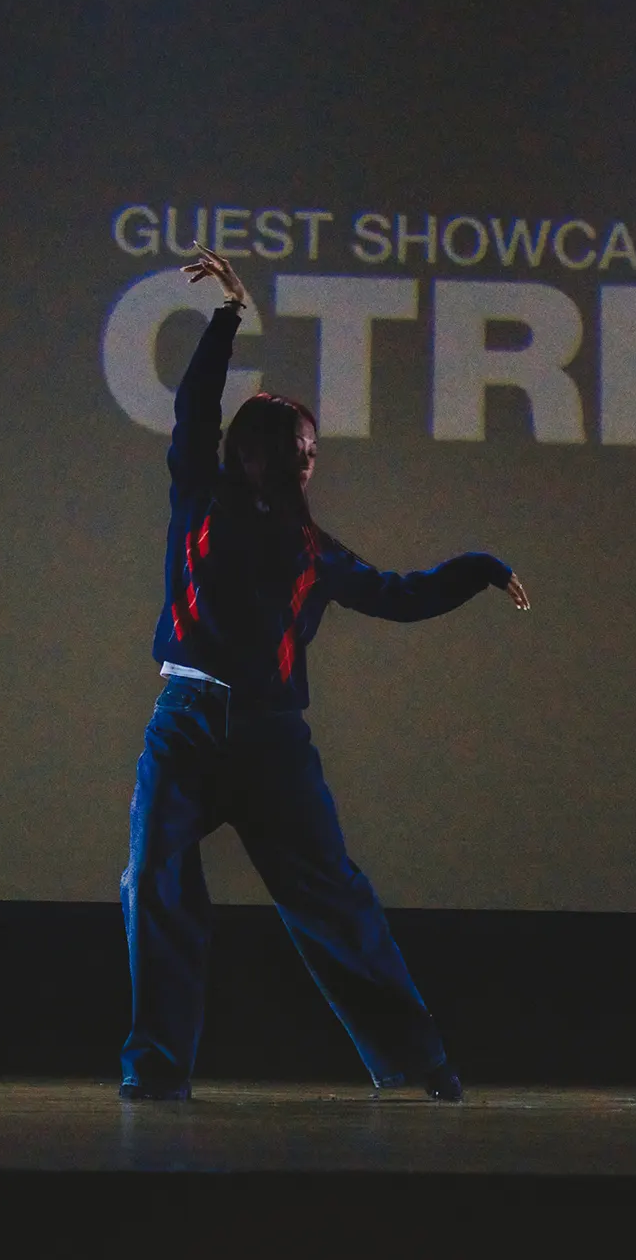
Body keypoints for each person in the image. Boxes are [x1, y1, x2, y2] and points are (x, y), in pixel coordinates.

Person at [119, 246, 530, 1102]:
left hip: (270, 744)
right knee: (153, 884)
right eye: (299, 449)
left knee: (332, 899)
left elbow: (399, 595)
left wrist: (480, 569)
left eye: (313, 451)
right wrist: (228, 316)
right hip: (186, 723)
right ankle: (156, 1071)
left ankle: (418, 1059)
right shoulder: (200, 495)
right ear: (260, 449)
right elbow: (195, 409)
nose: (310, 461)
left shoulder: (312, 549)